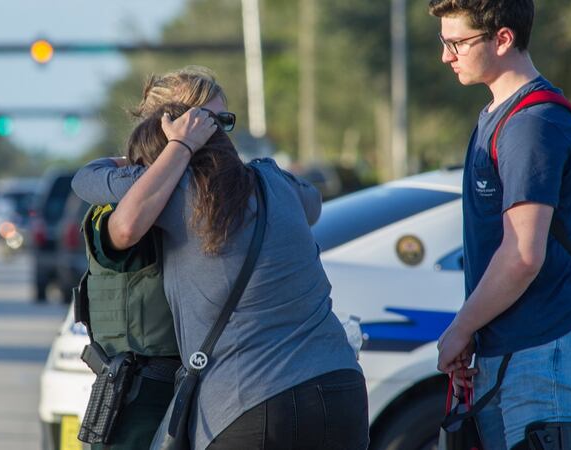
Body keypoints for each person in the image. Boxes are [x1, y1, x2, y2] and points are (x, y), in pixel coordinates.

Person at [71, 101, 369, 450]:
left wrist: (177, 147)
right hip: (341, 390)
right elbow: (313, 202)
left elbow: (88, 181)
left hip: (249, 403)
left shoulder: (177, 192)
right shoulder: (274, 181)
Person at [429, 1, 571, 449]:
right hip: (521, 344)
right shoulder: (502, 115)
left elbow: (522, 255)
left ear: (503, 38)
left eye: (457, 43)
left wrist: (460, 328)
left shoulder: (531, 125)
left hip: (547, 343)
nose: (446, 56)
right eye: (443, 42)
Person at [77, 66, 233, 450]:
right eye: (204, 122)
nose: (216, 136)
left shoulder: (208, 197)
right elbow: (126, 230)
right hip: (141, 397)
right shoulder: (126, 200)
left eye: (222, 122)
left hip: (208, 388)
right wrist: (177, 152)